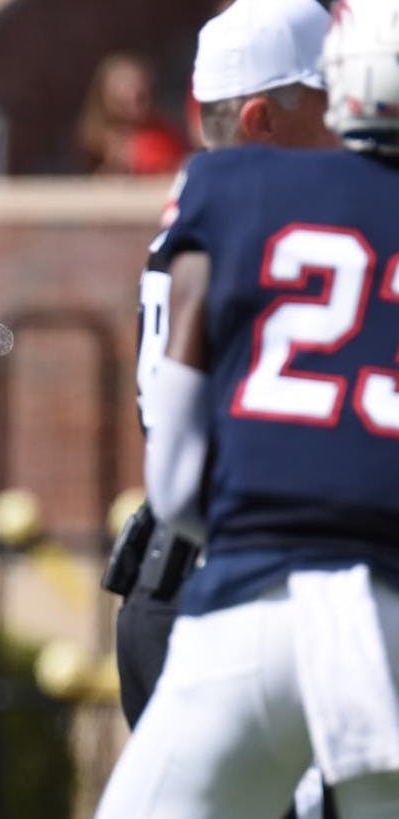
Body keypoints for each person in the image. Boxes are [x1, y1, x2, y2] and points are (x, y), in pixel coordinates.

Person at [95, 1, 399, 815]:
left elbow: (176, 470)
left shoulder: (211, 197)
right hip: (334, 583)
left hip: (218, 578)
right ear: (268, 113)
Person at [115, 0, 335, 730]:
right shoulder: (262, 220)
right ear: (260, 119)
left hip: (183, 581)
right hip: (233, 588)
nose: (348, 118)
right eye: (325, 96)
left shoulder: (206, 201)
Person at [76, 52, 188, 175]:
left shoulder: (165, 136)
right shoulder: (89, 139)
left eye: (141, 97)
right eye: (123, 101)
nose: (133, 103)